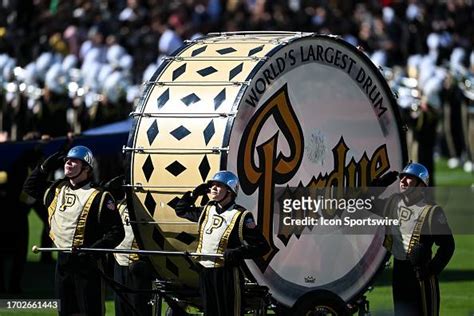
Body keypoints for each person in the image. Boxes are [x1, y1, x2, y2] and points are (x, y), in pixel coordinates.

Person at [23, 145, 125, 316]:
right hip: (63, 264)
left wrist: (92, 251)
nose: (68, 163)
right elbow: (30, 188)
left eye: (74, 161)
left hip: (88, 266)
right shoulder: (56, 189)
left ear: (86, 168)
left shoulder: (99, 196)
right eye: (67, 161)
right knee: (64, 312)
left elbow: (117, 232)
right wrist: (43, 168)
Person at [174, 171, 269, 316]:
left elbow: (262, 246)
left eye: (219, 186)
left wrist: (238, 252)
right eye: (212, 185)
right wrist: (193, 195)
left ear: (230, 191)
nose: (213, 188)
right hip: (205, 271)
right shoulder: (207, 210)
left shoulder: (241, 215)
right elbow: (180, 210)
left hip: (227, 274)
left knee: (228, 311)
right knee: (210, 311)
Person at [373, 162, 455, 316]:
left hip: (420, 275)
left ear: (421, 184)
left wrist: (430, 270)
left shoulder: (432, 211)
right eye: (402, 177)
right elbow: (364, 200)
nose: (403, 181)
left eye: (409, 178)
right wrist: (380, 184)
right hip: (398, 272)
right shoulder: (393, 203)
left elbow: (448, 246)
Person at [103, 175, 153, 316]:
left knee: (138, 307)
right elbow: (106, 188)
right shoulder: (120, 203)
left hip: (137, 264)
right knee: (121, 307)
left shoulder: (146, 205)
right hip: (119, 262)